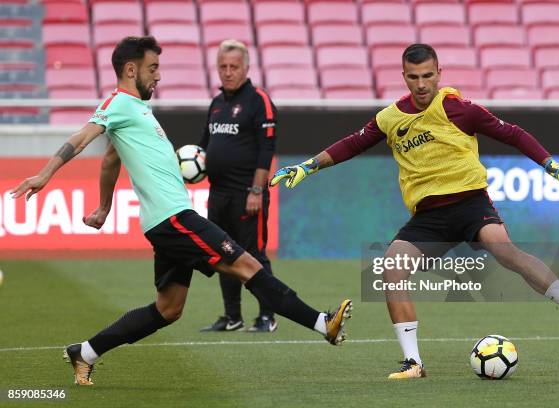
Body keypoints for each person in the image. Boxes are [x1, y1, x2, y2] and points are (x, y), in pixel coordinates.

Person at [10, 36, 353, 386]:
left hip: (166, 220)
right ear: (131, 70)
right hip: (173, 219)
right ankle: (322, 323)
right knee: (248, 264)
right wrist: (45, 174)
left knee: (168, 309)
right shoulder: (117, 104)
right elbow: (82, 137)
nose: (158, 76)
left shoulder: (136, 110)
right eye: (152, 68)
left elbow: (111, 159)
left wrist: (103, 207)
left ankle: (84, 353)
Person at [270, 43, 559, 380]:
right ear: (404, 77)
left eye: (428, 75)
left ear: (439, 74)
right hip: (429, 218)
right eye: (413, 77)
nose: (421, 84)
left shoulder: (458, 108)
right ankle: (414, 363)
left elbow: (513, 134)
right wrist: (308, 166)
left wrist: (553, 166)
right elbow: (352, 144)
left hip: (471, 204)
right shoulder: (390, 118)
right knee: (391, 270)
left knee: (505, 252)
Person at [199, 40, 278, 333]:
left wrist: (257, 191)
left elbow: (266, 149)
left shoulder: (259, 100)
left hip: (247, 194)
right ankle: (232, 317)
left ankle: (268, 316)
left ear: (246, 68)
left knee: (254, 255)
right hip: (218, 195)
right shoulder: (217, 104)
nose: (228, 72)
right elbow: (204, 147)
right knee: (223, 255)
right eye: (223, 66)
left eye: (234, 66)